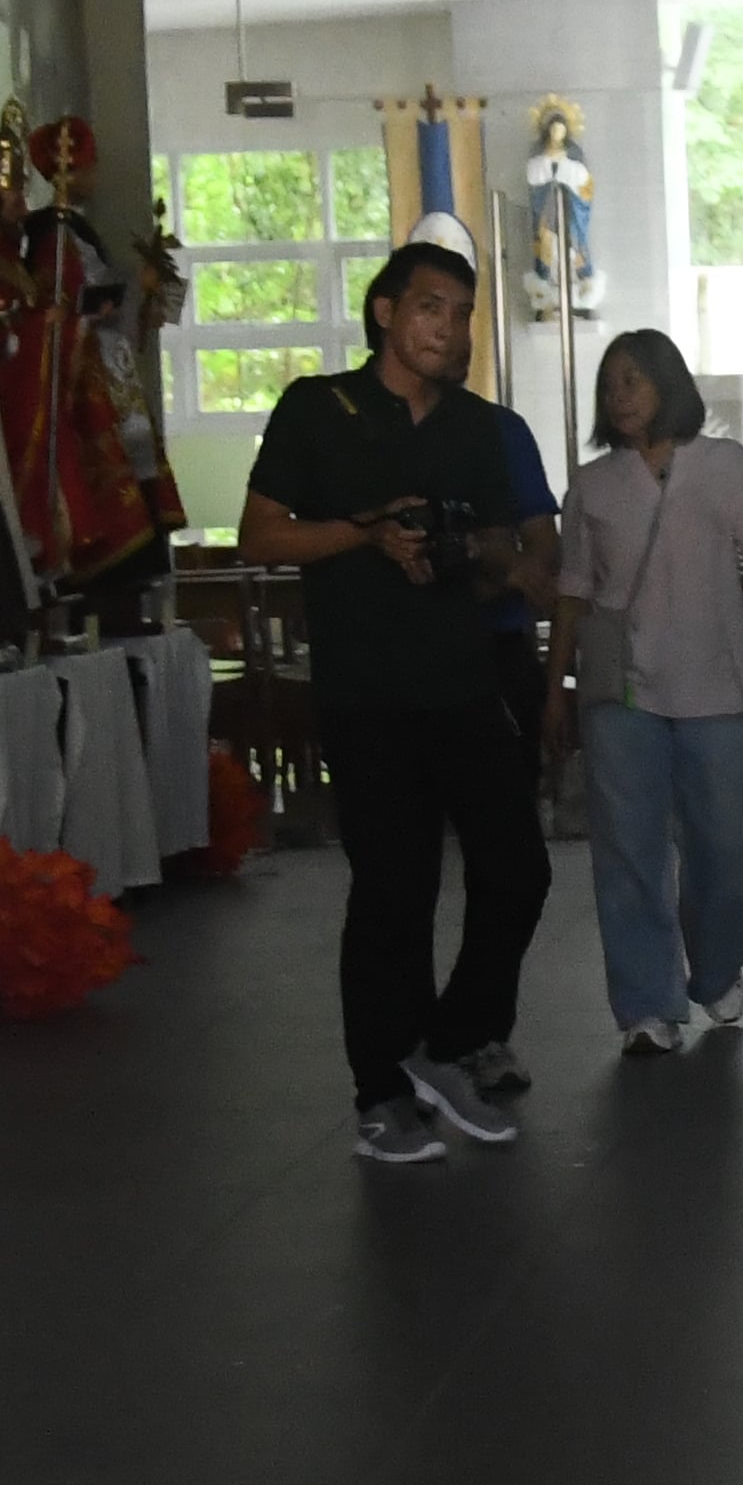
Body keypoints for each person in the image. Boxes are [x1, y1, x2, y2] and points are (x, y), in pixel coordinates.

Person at [238, 238, 555, 1165]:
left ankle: (448, 1046)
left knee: (517, 866)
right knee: (394, 890)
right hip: (366, 689)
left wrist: (471, 556)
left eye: (460, 314)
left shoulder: (472, 427)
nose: (446, 329)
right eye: (430, 308)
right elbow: (261, 535)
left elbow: (499, 543)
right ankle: (380, 1091)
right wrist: (365, 534)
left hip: (463, 678)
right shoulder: (318, 408)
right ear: (385, 311)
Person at [560, 324, 743, 1054]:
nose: (619, 396)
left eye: (633, 379)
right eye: (609, 384)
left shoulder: (720, 464)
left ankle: (715, 966)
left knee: (730, 847)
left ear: (668, 383)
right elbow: (573, 591)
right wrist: (555, 688)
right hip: (623, 694)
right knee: (628, 854)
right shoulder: (592, 485)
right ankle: (646, 1005)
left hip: (713, 689)